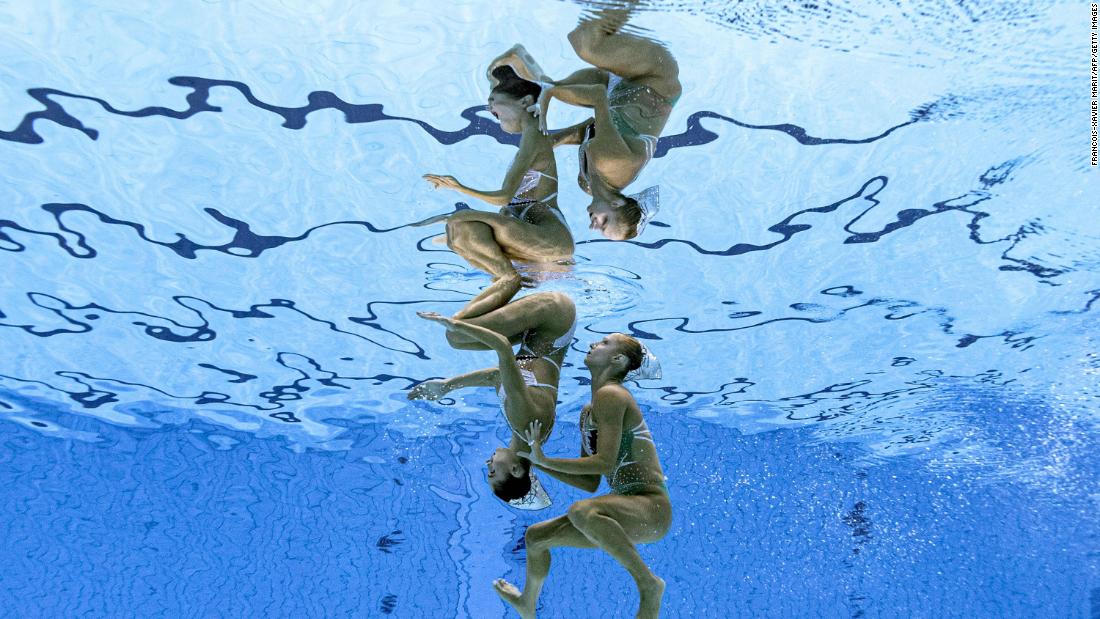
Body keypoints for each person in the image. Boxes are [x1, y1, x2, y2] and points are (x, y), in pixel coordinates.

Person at [493, 333, 670, 618]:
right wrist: (534, 460)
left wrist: (545, 459)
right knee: (537, 537)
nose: (591, 345)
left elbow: (604, 463)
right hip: (627, 512)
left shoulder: (611, 395)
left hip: (651, 508)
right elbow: (589, 483)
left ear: (617, 359)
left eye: (603, 343)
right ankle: (527, 603)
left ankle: (647, 583)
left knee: (581, 511)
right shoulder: (589, 412)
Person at [493, 2, 681, 240]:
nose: (593, 227)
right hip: (654, 78)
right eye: (604, 224)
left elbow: (589, 130)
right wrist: (547, 100)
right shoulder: (616, 162)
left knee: (549, 91)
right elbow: (596, 96)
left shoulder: (588, 185)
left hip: (617, 92)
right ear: (615, 204)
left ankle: (522, 62)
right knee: (584, 43)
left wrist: (545, 143)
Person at [416, 66, 574, 319]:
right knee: (461, 229)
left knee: (458, 220)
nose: (489, 108)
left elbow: (503, 197)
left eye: (493, 100)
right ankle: (469, 313)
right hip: (529, 235)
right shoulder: (535, 138)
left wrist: (458, 187)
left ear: (524, 102)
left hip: (551, 238)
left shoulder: (535, 137)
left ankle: (508, 279)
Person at [409, 292, 576, 508]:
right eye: (492, 471)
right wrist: (450, 323)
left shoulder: (529, 438)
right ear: (515, 470)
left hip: (540, 331)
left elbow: (497, 376)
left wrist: (446, 386)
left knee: (459, 340)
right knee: (456, 334)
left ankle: (507, 284)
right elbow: (503, 346)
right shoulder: (524, 422)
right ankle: (509, 279)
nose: (488, 463)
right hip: (554, 317)